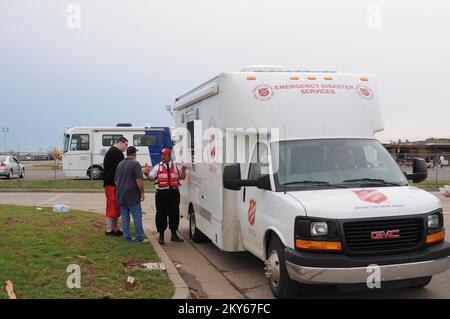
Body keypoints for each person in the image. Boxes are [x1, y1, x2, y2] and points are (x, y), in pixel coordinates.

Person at [144, 148, 186, 245]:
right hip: (161, 193)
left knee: (174, 213)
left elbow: (182, 177)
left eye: (165, 155)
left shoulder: (176, 166)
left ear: (169, 155)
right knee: (161, 214)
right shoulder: (157, 167)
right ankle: (161, 235)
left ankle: (174, 234)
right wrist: (146, 174)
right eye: (162, 155)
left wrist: (183, 171)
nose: (163, 157)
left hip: (174, 193)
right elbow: (151, 178)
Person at [115, 146, 147, 243]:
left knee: (125, 216)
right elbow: (139, 180)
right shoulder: (135, 164)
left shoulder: (120, 164)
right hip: (132, 194)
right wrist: (142, 192)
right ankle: (140, 238)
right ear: (134, 154)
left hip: (121, 194)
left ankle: (127, 236)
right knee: (137, 216)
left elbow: (116, 180)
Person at [103, 136, 128, 236]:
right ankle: (109, 230)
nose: (126, 147)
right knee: (111, 207)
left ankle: (114, 229)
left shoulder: (114, 152)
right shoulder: (116, 153)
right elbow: (122, 169)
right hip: (111, 184)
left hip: (113, 184)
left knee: (116, 207)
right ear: (121, 142)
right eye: (125, 145)